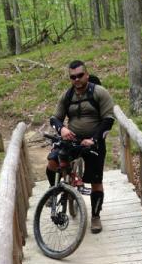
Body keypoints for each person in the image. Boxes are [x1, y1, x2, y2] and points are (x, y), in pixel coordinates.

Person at [46, 60, 115, 233]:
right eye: (72, 77)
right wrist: (62, 129)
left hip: (94, 141)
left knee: (96, 181)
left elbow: (108, 120)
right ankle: (55, 189)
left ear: (87, 74)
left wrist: (94, 139)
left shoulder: (99, 92)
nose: (76, 79)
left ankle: (95, 216)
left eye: (79, 75)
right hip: (72, 139)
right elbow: (54, 118)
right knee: (52, 163)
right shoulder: (67, 95)